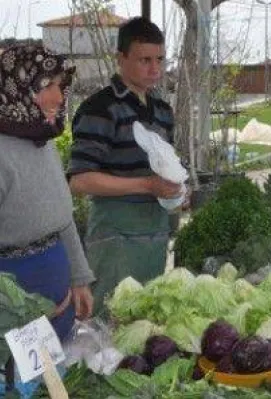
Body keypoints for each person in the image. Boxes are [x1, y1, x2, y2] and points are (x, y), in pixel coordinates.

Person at [68, 17, 181, 314]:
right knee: (111, 320)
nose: (155, 69)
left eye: (159, 59)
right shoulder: (100, 109)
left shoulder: (163, 112)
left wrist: (178, 191)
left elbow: (167, 167)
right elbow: (80, 181)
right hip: (115, 234)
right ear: (121, 58)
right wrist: (146, 185)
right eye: (144, 60)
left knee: (148, 319)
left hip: (155, 231)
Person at [0, 45, 94, 340]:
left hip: (56, 287)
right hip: (12, 302)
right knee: (18, 383)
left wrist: (79, 278)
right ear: (16, 87)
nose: (58, 96)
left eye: (61, 86)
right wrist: (16, 307)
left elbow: (62, 216)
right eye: (47, 86)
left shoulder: (43, 139)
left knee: (57, 380)